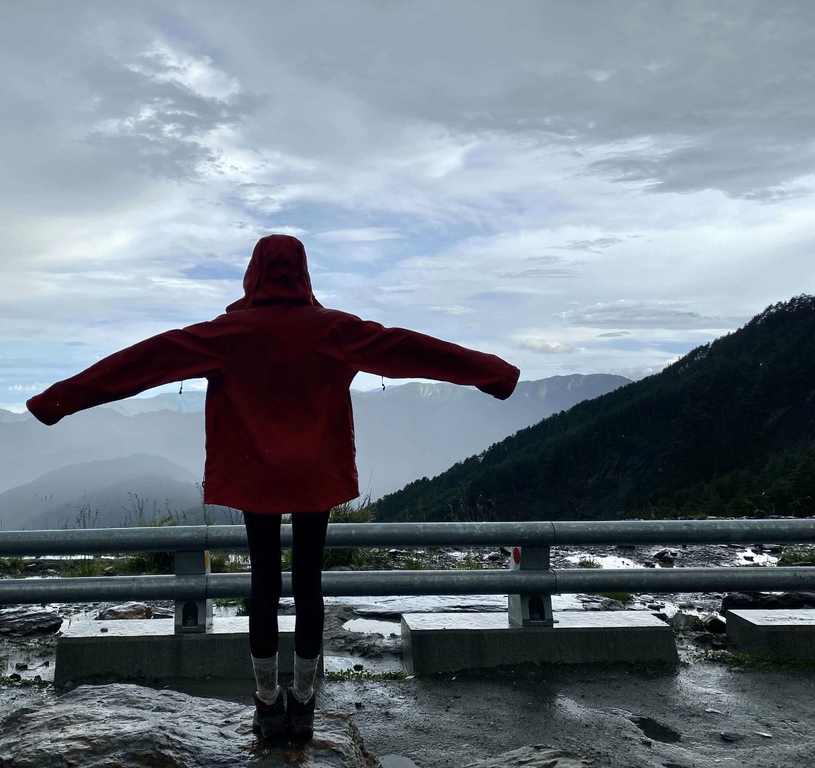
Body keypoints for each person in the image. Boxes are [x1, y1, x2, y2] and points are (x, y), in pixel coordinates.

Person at [26, 234, 520, 741]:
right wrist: (494, 374)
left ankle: (266, 703)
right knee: (308, 585)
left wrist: (55, 402)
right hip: (315, 476)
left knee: (264, 583)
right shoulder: (334, 330)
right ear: (303, 272)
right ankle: (303, 702)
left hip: (254, 472)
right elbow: (412, 348)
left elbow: (140, 363)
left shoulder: (228, 333)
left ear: (253, 272)